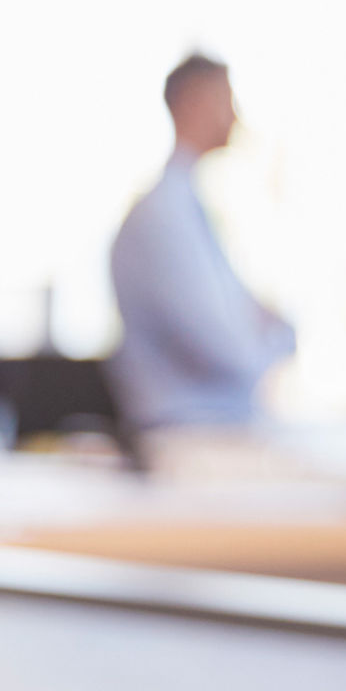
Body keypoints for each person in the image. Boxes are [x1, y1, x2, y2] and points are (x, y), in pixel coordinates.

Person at [107, 55, 295, 428]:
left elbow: (250, 322)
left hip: (210, 429)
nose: (236, 117)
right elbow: (225, 347)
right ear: (194, 101)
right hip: (189, 433)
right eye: (226, 99)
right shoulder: (163, 216)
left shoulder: (189, 208)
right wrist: (272, 339)